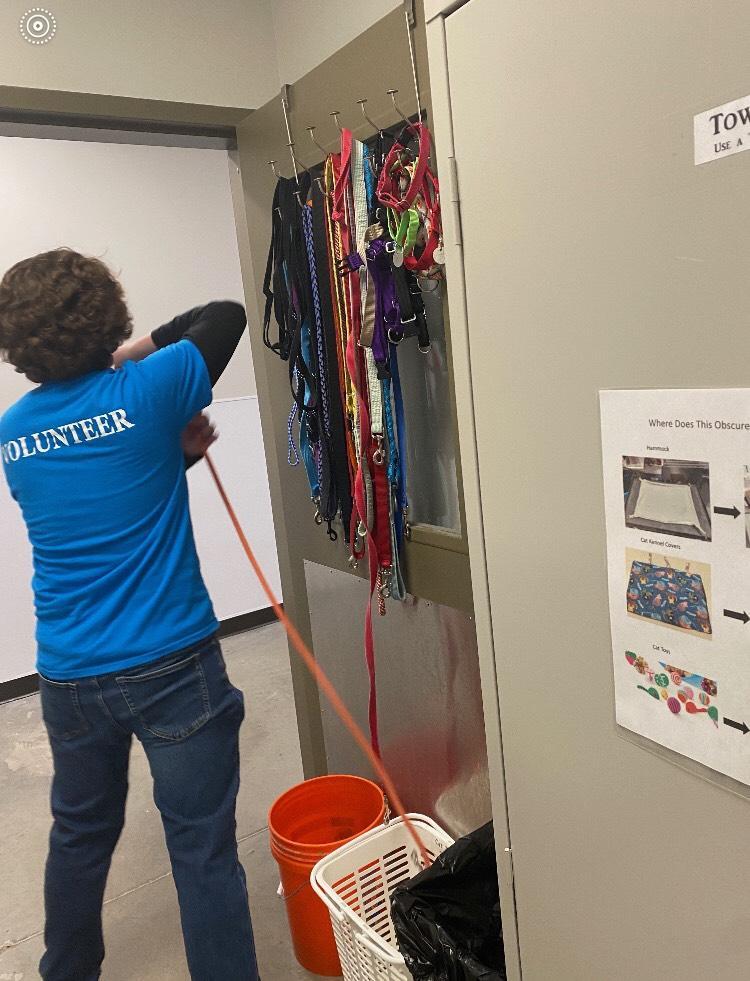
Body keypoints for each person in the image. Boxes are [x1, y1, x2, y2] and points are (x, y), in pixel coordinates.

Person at [0, 247, 259, 981]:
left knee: (79, 835)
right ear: (106, 316)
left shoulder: (14, 432)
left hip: (70, 678)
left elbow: (99, 500)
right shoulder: (150, 386)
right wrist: (125, 360)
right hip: (174, 667)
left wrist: (169, 456)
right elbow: (223, 317)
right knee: (201, 849)